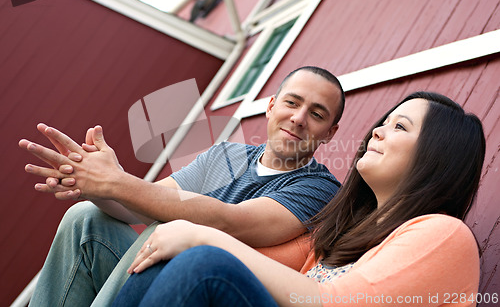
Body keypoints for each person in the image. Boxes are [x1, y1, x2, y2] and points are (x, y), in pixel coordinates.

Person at [112, 91, 485, 307]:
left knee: (204, 261)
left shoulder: (444, 236)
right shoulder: (343, 230)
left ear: (437, 155)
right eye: (384, 122)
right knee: (176, 253)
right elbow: (253, 259)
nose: (377, 131)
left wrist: (201, 236)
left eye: (399, 127)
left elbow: (329, 303)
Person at [20, 66, 345, 306]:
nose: (299, 118)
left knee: (166, 229)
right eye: (292, 102)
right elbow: (142, 203)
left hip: (204, 290)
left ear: (330, 132)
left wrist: (117, 182)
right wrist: (97, 186)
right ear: (272, 105)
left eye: (316, 114)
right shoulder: (227, 155)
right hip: (153, 279)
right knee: (85, 217)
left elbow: (227, 220)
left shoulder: (319, 188)